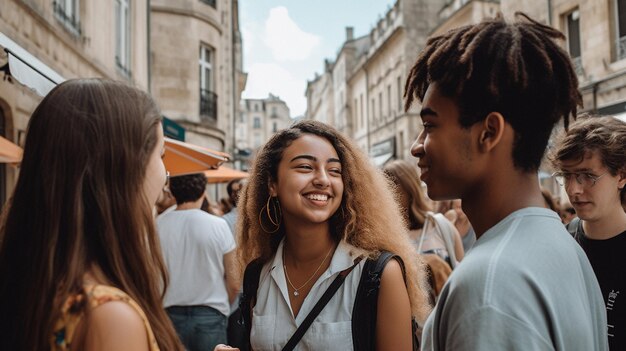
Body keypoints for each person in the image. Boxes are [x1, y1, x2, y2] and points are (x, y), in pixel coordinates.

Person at [404, 13, 608, 350]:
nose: (417, 146)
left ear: (489, 132)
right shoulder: (564, 246)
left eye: (430, 125)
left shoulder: (488, 286)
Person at [0, 79, 184, 350]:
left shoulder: (35, 282)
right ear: (124, 170)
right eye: (162, 155)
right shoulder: (109, 316)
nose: (166, 175)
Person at [236, 120, 431, 350]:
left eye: (334, 170)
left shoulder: (378, 274)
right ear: (272, 184)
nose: (322, 179)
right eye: (305, 167)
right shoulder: (257, 275)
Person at [550, 115, 626, 350]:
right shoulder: (562, 240)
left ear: (622, 176)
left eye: (588, 176)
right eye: (567, 176)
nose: (574, 189)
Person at [157, 173, 239, 351]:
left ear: (171, 191)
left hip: (168, 314)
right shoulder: (218, 225)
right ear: (203, 192)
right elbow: (234, 282)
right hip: (210, 314)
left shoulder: (157, 225)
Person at [383, 160, 464, 268]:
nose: (388, 195)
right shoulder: (384, 238)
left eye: (393, 187)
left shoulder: (440, 226)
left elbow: (461, 275)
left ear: (410, 190)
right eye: (384, 188)